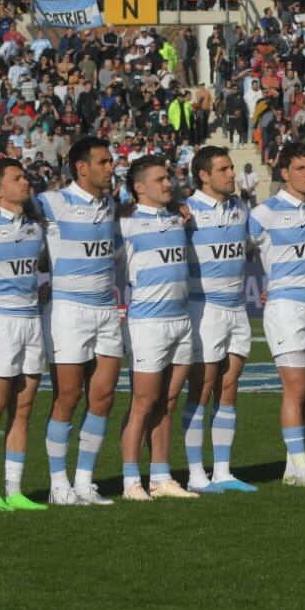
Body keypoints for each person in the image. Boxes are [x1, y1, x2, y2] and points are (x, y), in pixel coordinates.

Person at [37, 136, 123, 507]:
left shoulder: (112, 206)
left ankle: (85, 482)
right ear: (81, 168)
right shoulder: (52, 201)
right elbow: (9, 208)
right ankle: (59, 484)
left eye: (111, 161)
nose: (111, 167)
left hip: (106, 311)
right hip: (69, 311)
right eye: (103, 162)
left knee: (102, 397)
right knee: (67, 397)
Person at [250, 141, 305, 489]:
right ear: (285, 173)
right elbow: (236, 253)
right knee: (295, 386)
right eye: (300, 168)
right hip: (285, 307)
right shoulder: (263, 214)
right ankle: (303, 467)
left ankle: (291, 467)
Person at [117, 156, 198, 500]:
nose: (169, 183)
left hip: (181, 321)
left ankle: (161, 477)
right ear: (139, 188)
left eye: (170, 178)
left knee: (167, 402)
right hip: (148, 323)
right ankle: (130, 480)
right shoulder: (125, 223)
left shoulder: (179, 217)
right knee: (143, 402)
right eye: (160, 179)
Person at [0, 158, 48, 510]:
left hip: (31, 321)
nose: (25, 182)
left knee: (24, 408)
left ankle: (15, 490)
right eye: (17, 178)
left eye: (25, 176)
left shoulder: (36, 225)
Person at [182, 145, 258, 494]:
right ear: (204, 175)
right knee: (202, 388)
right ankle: (197, 474)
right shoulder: (186, 211)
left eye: (231, 168)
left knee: (229, 387)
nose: (232, 174)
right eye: (224, 169)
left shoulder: (240, 208)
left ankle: (224, 471)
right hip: (204, 307)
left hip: (236, 308)